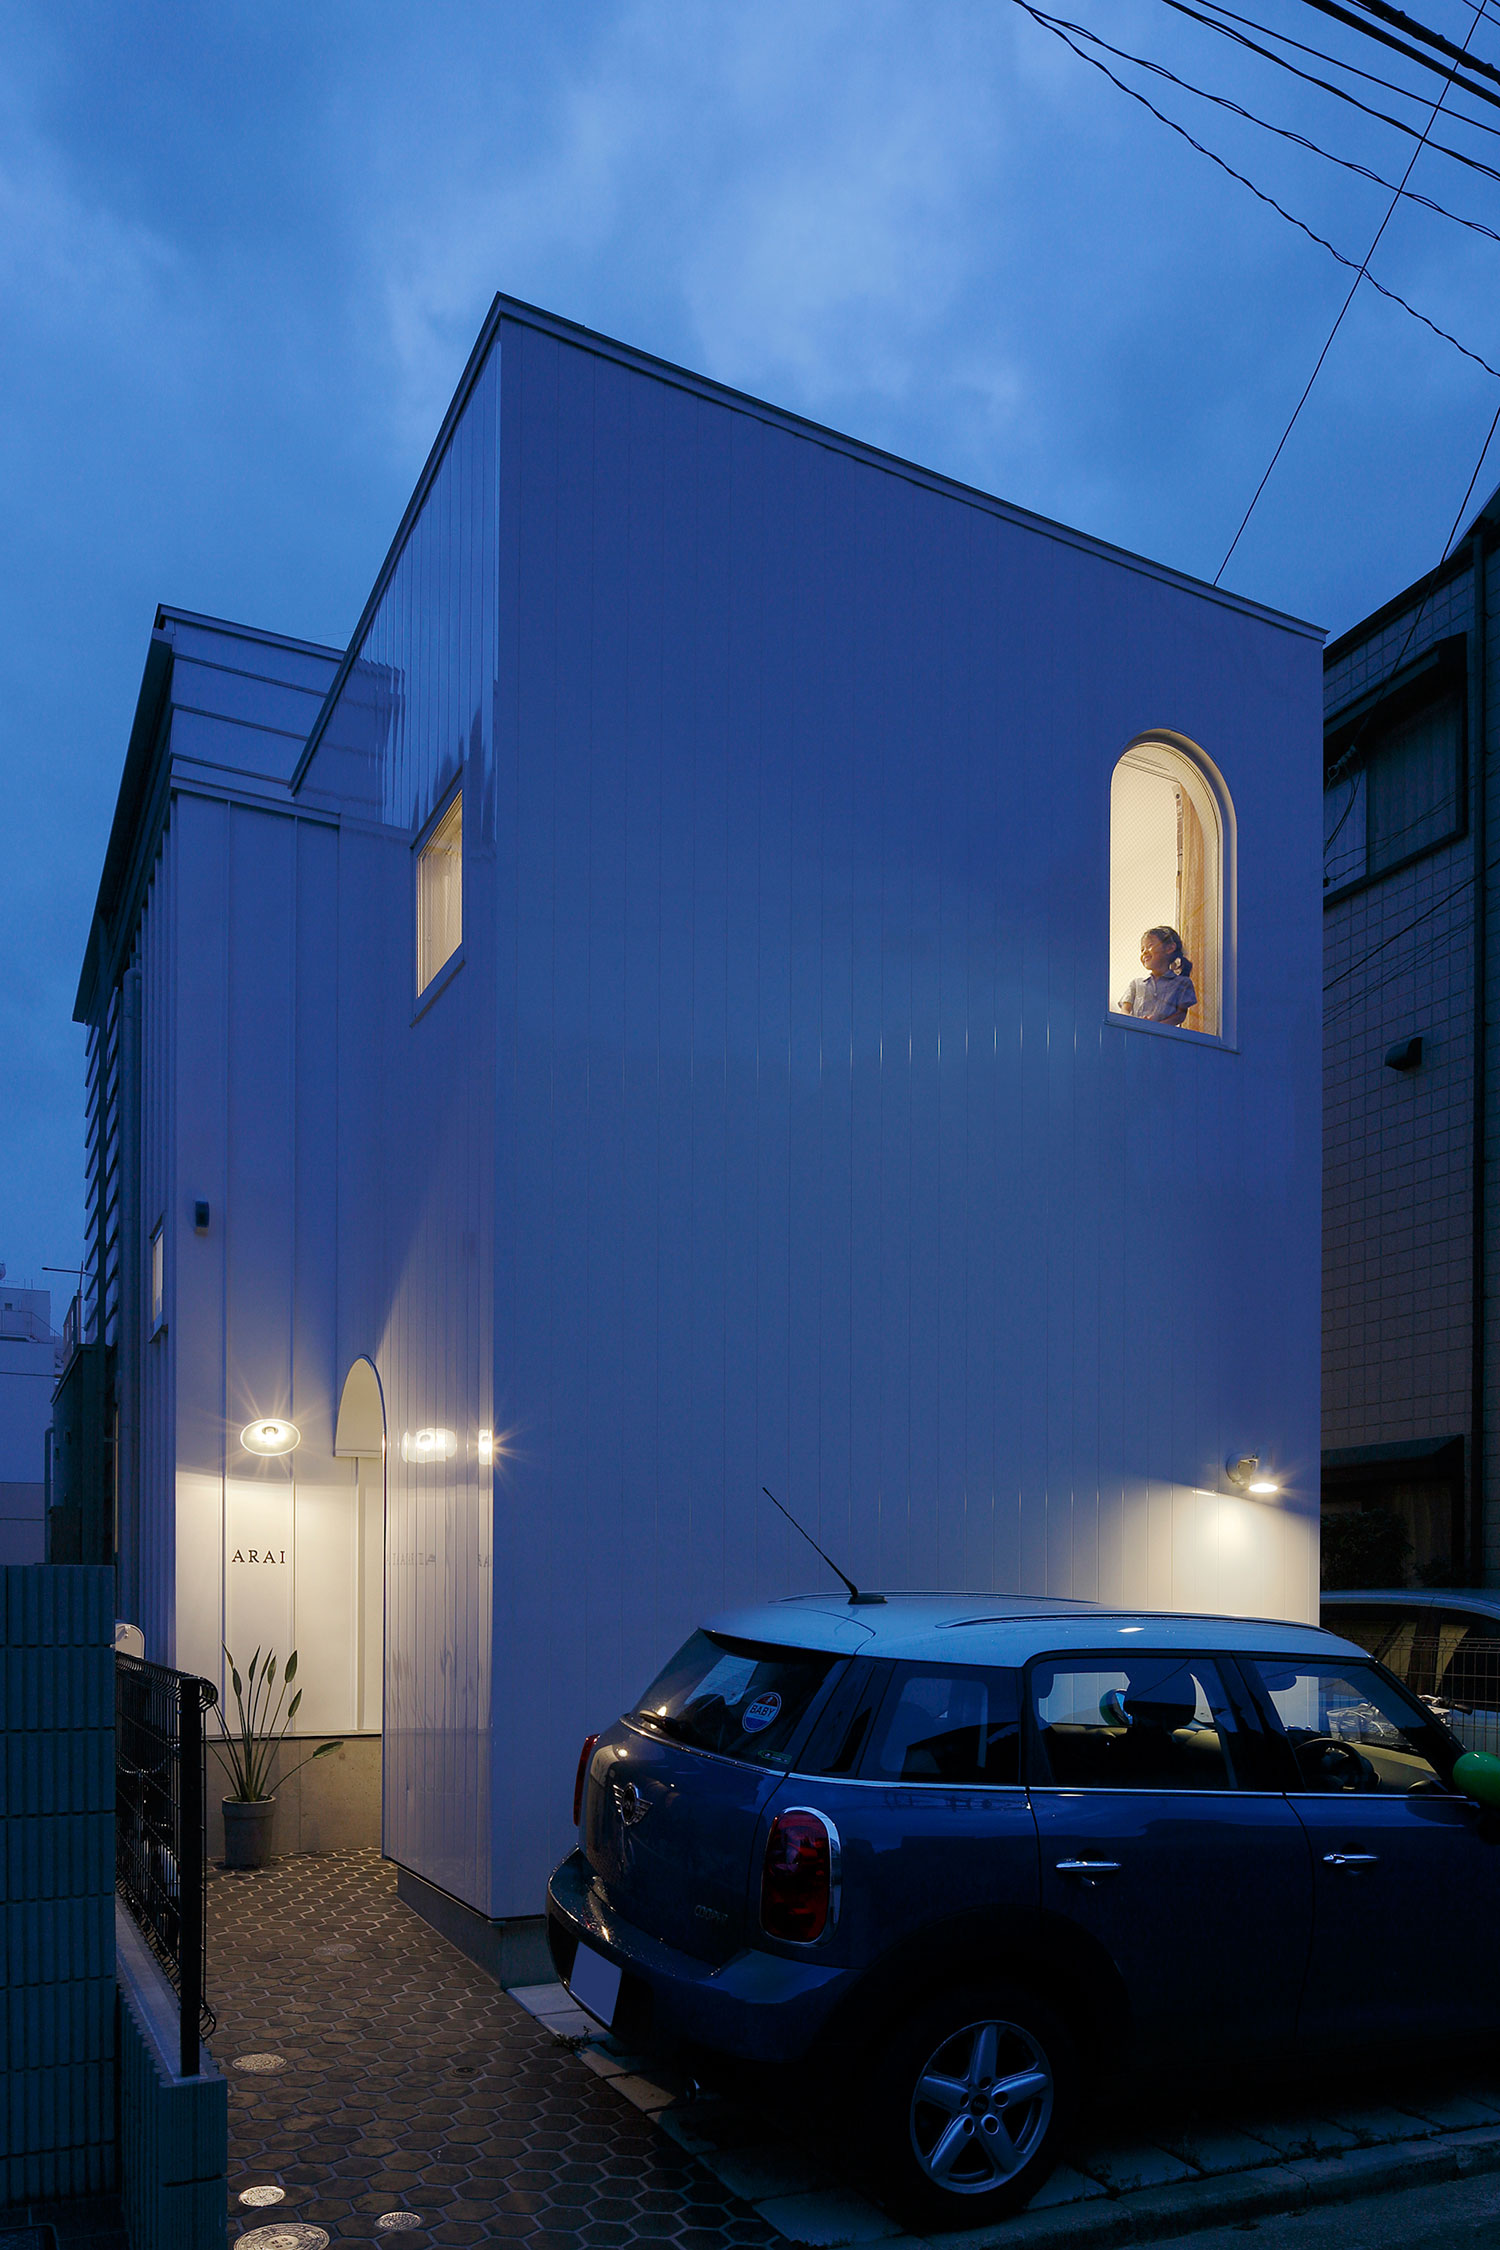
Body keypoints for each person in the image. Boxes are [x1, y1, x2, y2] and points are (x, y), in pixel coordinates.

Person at [1116, 927, 1196, 1026]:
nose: (1144, 952)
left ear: (1170, 948)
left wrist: (1157, 1027)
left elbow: (1180, 1015)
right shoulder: (1136, 984)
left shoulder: (1183, 983)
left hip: (1163, 1038)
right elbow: (1125, 1010)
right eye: (1142, 949)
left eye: (1149, 946)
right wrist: (1135, 1024)